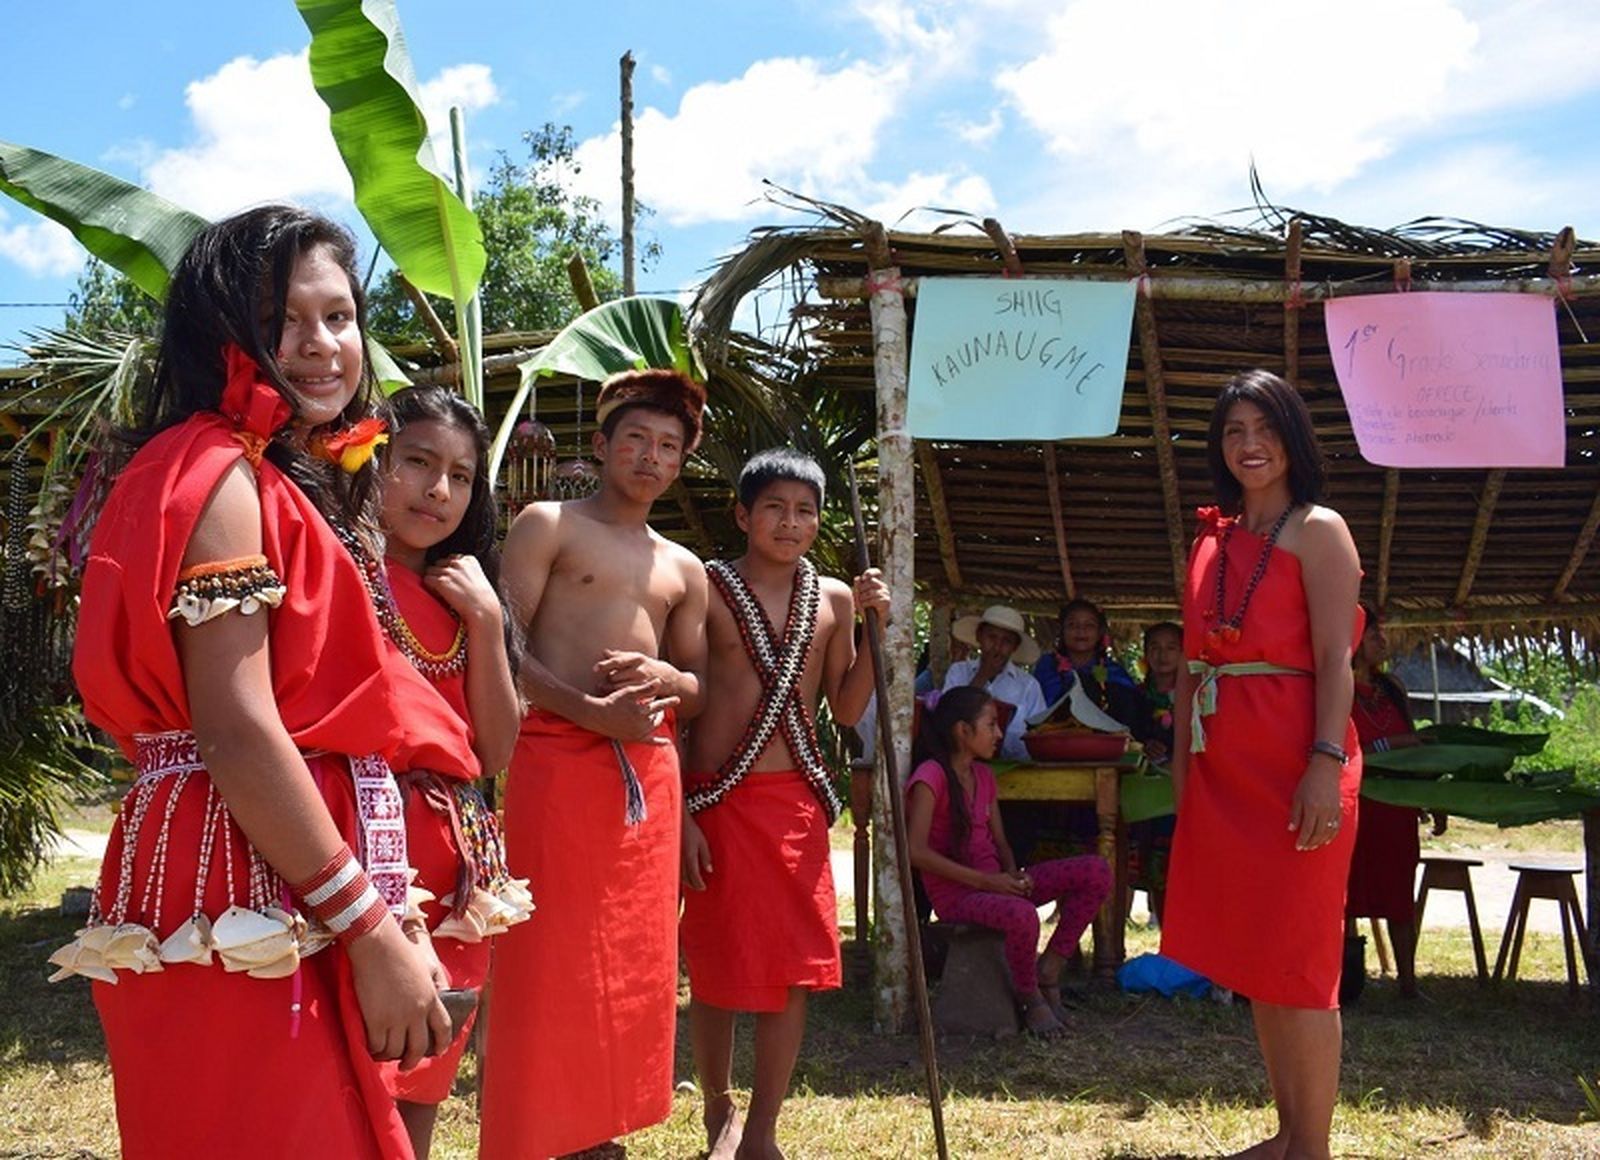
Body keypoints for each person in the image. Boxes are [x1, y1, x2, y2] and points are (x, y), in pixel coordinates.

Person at [58, 206, 473, 1157]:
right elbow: (238, 731)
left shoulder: (260, 472)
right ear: (222, 334)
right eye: (283, 320)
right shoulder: (220, 476)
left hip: (273, 861)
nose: (321, 344)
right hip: (242, 867)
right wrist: (369, 928)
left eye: (339, 316)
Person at [480, 369, 709, 1160]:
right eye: (637, 439)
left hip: (645, 777)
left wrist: (668, 678)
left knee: (630, 957)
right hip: (553, 763)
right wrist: (590, 712)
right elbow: (503, 648)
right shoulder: (548, 525)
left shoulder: (684, 568)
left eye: (669, 447)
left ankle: (598, 1131)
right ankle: (532, 1134)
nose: (651, 457)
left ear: (681, 463)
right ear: (602, 445)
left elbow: (698, 686)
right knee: (547, 953)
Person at [1161, 369, 1363, 1160]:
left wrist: (1324, 764)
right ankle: (1289, 1135)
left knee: (1301, 960)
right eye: (1234, 431)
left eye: (1266, 428)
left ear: (1294, 438)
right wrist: (1186, 775)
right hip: (1224, 772)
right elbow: (1190, 668)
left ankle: (1312, 1148)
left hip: (1300, 764)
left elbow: (1336, 660)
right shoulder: (1209, 539)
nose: (1251, 445)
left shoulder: (1321, 529)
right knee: (1260, 958)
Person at [680, 448, 889, 1160]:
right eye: (773, 507)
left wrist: (877, 631)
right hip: (717, 803)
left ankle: (763, 1131)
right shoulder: (705, 586)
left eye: (804, 511)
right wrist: (683, 816)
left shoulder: (833, 599)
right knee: (715, 967)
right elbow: (681, 711)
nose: (789, 522)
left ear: (819, 521)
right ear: (742, 515)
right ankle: (718, 1110)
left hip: (795, 807)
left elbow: (848, 707)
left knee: (794, 970)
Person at [374, 386, 528, 1158]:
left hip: (458, 867)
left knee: (423, 1083)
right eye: (417, 462)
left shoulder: (469, 602)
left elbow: (495, 751)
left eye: (460, 477)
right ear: (372, 460)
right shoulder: (335, 574)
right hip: (361, 854)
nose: (438, 490)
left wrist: (489, 621)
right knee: (350, 1084)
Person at [906, 686, 1113, 1035]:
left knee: (1097, 871)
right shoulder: (931, 776)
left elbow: (1000, 841)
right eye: (991, 725)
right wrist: (988, 882)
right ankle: (1029, 997)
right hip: (959, 897)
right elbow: (915, 851)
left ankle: (1049, 970)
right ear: (963, 731)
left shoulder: (984, 776)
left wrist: (1013, 876)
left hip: (995, 885)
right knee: (1022, 915)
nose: (999, 734)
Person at [1345, 602, 1439, 1000]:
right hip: (1354, 806)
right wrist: (1391, 745)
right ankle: (1346, 981)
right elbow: (1340, 750)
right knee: (1346, 896)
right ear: (1353, 639)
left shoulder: (1393, 689)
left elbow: (1415, 749)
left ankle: (1408, 984)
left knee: (1400, 895)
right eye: (1373, 634)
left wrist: (1431, 796)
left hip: (1397, 811)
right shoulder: (1333, 688)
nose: (1382, 641)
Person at [941, 605, 1047, 760]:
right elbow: (948, 719)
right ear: (979, 636)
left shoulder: (1028, 686)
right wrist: (983, 675)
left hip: (1014, 769)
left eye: (1006, 641)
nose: (997, 647)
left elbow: (1039, 735)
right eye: (991, 637)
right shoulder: (958, 672)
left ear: (1015, 647)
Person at [1129, 621, 1182, 922]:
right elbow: (1124, 734)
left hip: (1180, 792)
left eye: (1171, 648)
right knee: (1148, 864)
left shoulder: (1198, 695)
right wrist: (1143, 746)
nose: (1163, 655)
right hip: (1141, 794)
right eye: (1155, 648)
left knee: (1177, 867)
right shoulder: (1134, 696)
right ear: (1146, 653)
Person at [1032, 598, 1141, 727]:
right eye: (1072, 624)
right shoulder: (1047, 667)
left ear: (1100, 632)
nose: (1081, 630)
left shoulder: (1114, 673)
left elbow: (1129, 719)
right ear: (1062, 631)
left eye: (1089, 625)